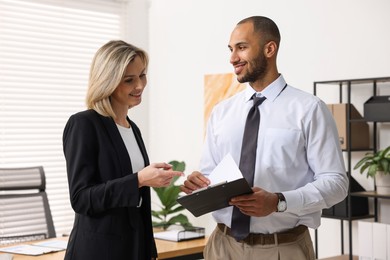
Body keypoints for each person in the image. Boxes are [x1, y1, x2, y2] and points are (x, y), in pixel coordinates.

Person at [180, 16, 349, 260]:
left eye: (242, 47)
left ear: (270, 49)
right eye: (231, 49)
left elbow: (336, 183)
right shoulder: (222, 112)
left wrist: (279, 201)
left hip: (282, 248)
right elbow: (211, 173)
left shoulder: (310, 109)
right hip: (221, 246)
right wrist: (200, 183)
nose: (232, 58)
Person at [62, 40, 183, 260]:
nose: (139, 86)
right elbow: (81, 198)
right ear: (108, 81)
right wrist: (138, 179)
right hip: (99, 252)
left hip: (133, 247)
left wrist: (151, 178)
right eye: (129, 80)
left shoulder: (131, 127)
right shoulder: (84, 124)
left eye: (142, 75)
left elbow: (131, 191)